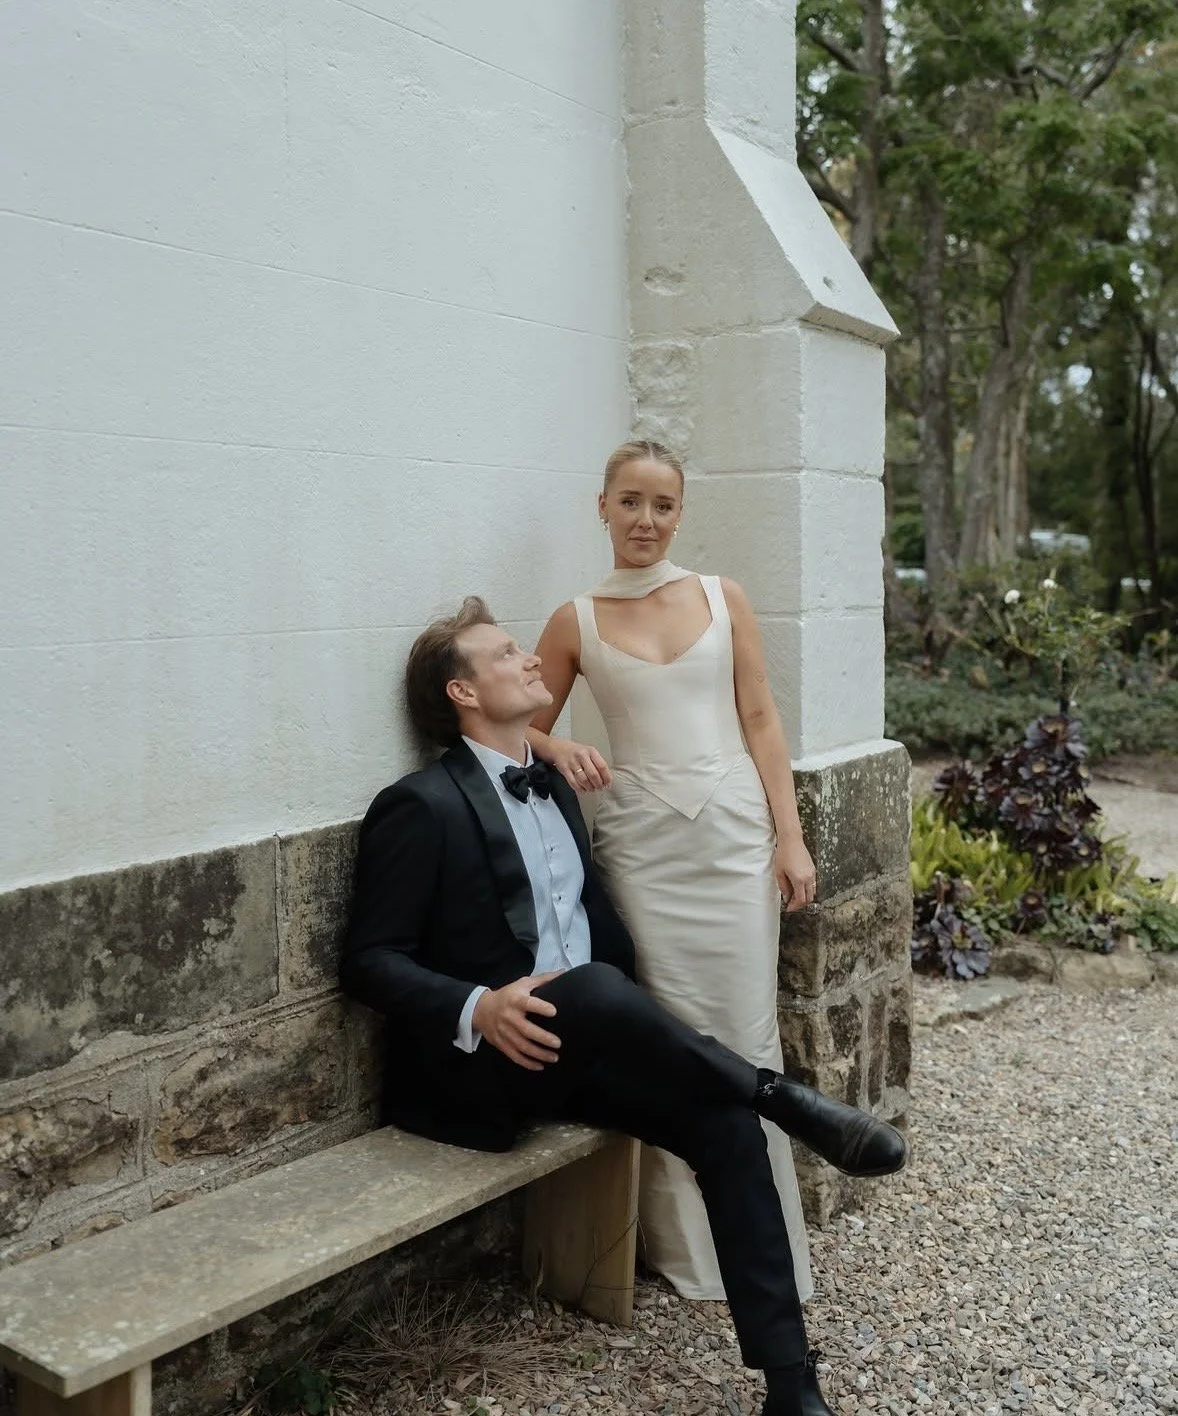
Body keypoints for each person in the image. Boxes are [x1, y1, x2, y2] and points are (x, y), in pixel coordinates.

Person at [340, 596, 907, 1416]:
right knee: (605, 993)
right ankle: (781, 1095)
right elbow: (368, 961)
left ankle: (792, 1385)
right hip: (487, 1066)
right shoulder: (420, 805)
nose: (530, 660)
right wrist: (479, 1007)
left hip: (587, 1047)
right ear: (462, 693)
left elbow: (593, 933)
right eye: (505, 655)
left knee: (724, 1128)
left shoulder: (558, 791)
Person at [526, 439, 817, 1303]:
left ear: (680, 513)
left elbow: (762, 720)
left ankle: (764, 1249)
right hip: (641, 847)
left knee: (748, 1029)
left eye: (661, 504)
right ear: (602, 506)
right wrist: (559, 741)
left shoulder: (723, 599)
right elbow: (515, 726)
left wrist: (789, 837)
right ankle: (687, 1253)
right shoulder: (572, 618)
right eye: (629, 502)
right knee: (667, 1038)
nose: (645, 519)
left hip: (732, 837)